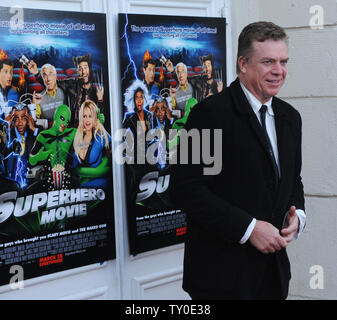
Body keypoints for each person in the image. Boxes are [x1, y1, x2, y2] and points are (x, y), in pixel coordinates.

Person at [172, 21, 306, 300]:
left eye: (283, 61)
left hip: (273, 276)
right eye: (268, 61)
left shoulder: (290, 117)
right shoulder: (208, 114)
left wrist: (298, 217)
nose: (278, 71)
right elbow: (186, 189)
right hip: (221, 279)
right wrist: (249, 228)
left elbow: (293, 181)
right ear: (243, 64)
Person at [73, 100, 111, 188]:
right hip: (80, 189)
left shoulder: (101, 135)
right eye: (84, 116)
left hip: (99, 187)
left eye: (90, 116)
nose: (87, 120)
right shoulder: (77, 136)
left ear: (95, 118)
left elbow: (118, 147)